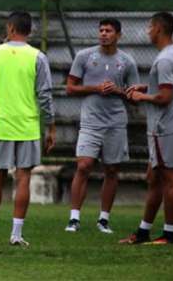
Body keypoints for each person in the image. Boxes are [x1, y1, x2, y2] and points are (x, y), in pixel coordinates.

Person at [0, 11, 55, 246]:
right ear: (29, 31)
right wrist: (50, 126)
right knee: (23, 179)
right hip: (28, 125)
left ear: (10, 28)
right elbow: (45, 95)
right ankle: (16, 234)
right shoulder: (38, 57)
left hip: (2, 124)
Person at [64, 18, 139, 234]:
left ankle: (104, 219)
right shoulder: (85, 56)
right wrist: (96, 88)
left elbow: (135, 96)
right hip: (90, 121)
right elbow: (70, 88)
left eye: (109, 30)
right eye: (101, 30)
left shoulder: (127, 61)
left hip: (116, 122)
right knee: (84, 165)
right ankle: (74, 218)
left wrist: (117, 90)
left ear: (118, 35)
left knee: (112, 169)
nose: (104, 34)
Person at [121, 12, 173, 245]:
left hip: (165, 126)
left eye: (150, 27)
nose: (148, 31)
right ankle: (143, 232)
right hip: (170, 124)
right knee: (154, 177)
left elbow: (165, 96)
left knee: (168, 178)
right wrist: (146, 86)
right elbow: (165, 87)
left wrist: (141, 96)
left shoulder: (165, 59)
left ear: (159, 29)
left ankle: (169, 234)